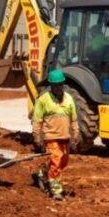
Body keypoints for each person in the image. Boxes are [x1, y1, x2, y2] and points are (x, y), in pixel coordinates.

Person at [32, 69, 78, 200]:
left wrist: (75, 133)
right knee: (56, 162)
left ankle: (43, 174)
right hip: (51, 137)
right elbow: (37, 120)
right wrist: (37, 136)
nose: (58, 87)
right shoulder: (43, 100)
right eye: (55, 85)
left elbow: (73, 118)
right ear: (50, 86)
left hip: (65, 137)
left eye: (60, 84)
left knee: (63, 163)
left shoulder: (69, 99)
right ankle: (56, 191)